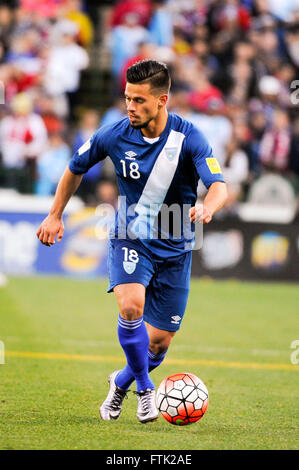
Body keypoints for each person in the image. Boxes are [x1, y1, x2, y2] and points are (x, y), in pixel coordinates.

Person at [36, 60, 227, 423]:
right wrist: (55, 214)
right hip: (131, 235)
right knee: (130, 307)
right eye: (127, 98)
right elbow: (75, 167)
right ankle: (144, 390)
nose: (130, 106)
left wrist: (208, 206)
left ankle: (121, 382)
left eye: (139, 100)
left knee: (159, 343)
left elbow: (218, 184)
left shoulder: (190, 137)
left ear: (162, 100)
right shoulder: (114, 133)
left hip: (175, 245)